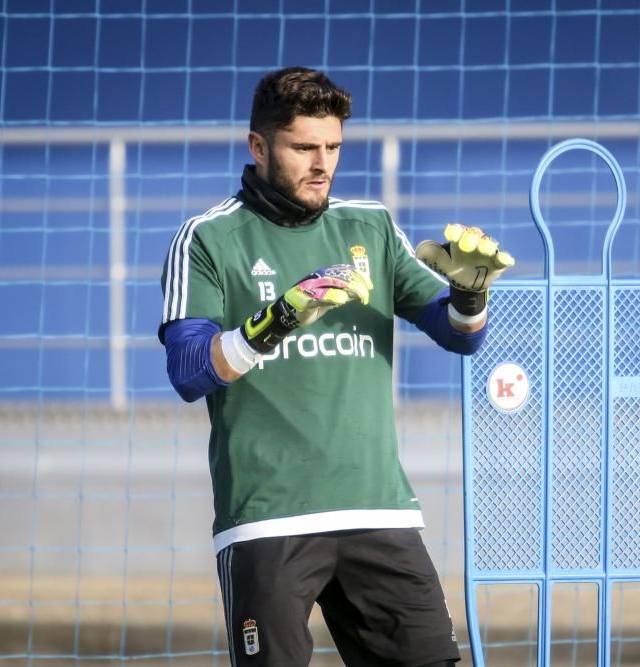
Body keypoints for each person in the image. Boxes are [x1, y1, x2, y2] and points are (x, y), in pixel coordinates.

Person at [158, 66, 513, 666]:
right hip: (268, 520)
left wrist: (470, 300)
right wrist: (279, 319)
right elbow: (189, 370)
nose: (322, 163)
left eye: (333, 147)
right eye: (303, 148)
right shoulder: (209, 239)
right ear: (259, 146)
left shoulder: (369, 226)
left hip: (378, 509)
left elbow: (458, 338)